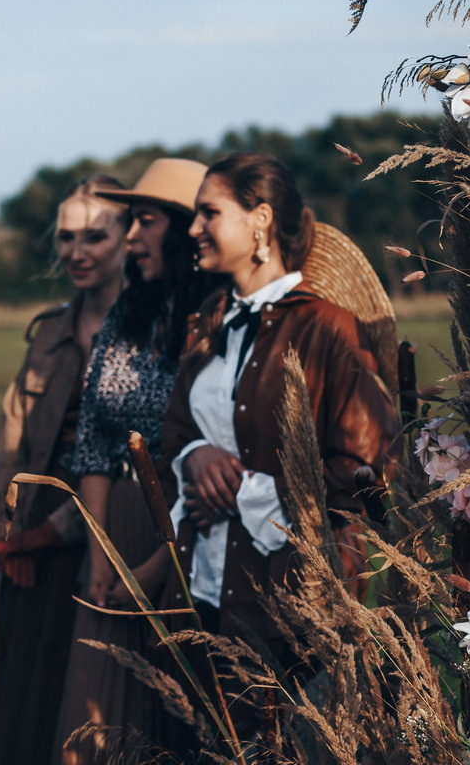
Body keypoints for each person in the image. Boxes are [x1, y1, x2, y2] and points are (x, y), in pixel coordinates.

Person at [160, 152, 397, 739]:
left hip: (293, 593)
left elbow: (367, 468)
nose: (193, 229)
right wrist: (196, 458)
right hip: (206, 583)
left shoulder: (326, 328)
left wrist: (248, 492)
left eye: (208, 213)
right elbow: (172, 429)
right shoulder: (210, 324)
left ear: (259, 220)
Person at [3, 159, 223, 764]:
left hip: (183, 533)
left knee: (179, 720)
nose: (129, 238)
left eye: (142, 222)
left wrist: (159, 560)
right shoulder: (128, 315)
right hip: (115, 528)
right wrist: (101, 556)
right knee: (92, 722)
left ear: (179, 229)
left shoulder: (217, 318)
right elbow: (95, 444)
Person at [0, 176, 130, 765]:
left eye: (95, 235)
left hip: (105, 537)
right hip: (26, 545)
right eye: (66, 237)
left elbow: (126, 460)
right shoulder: (48, 333)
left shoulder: (144, 336)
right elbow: (9, 441)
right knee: (22, 696)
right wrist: (6, 531)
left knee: (87, 699)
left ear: (127, 238)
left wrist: (53, 534)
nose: (77, 251)